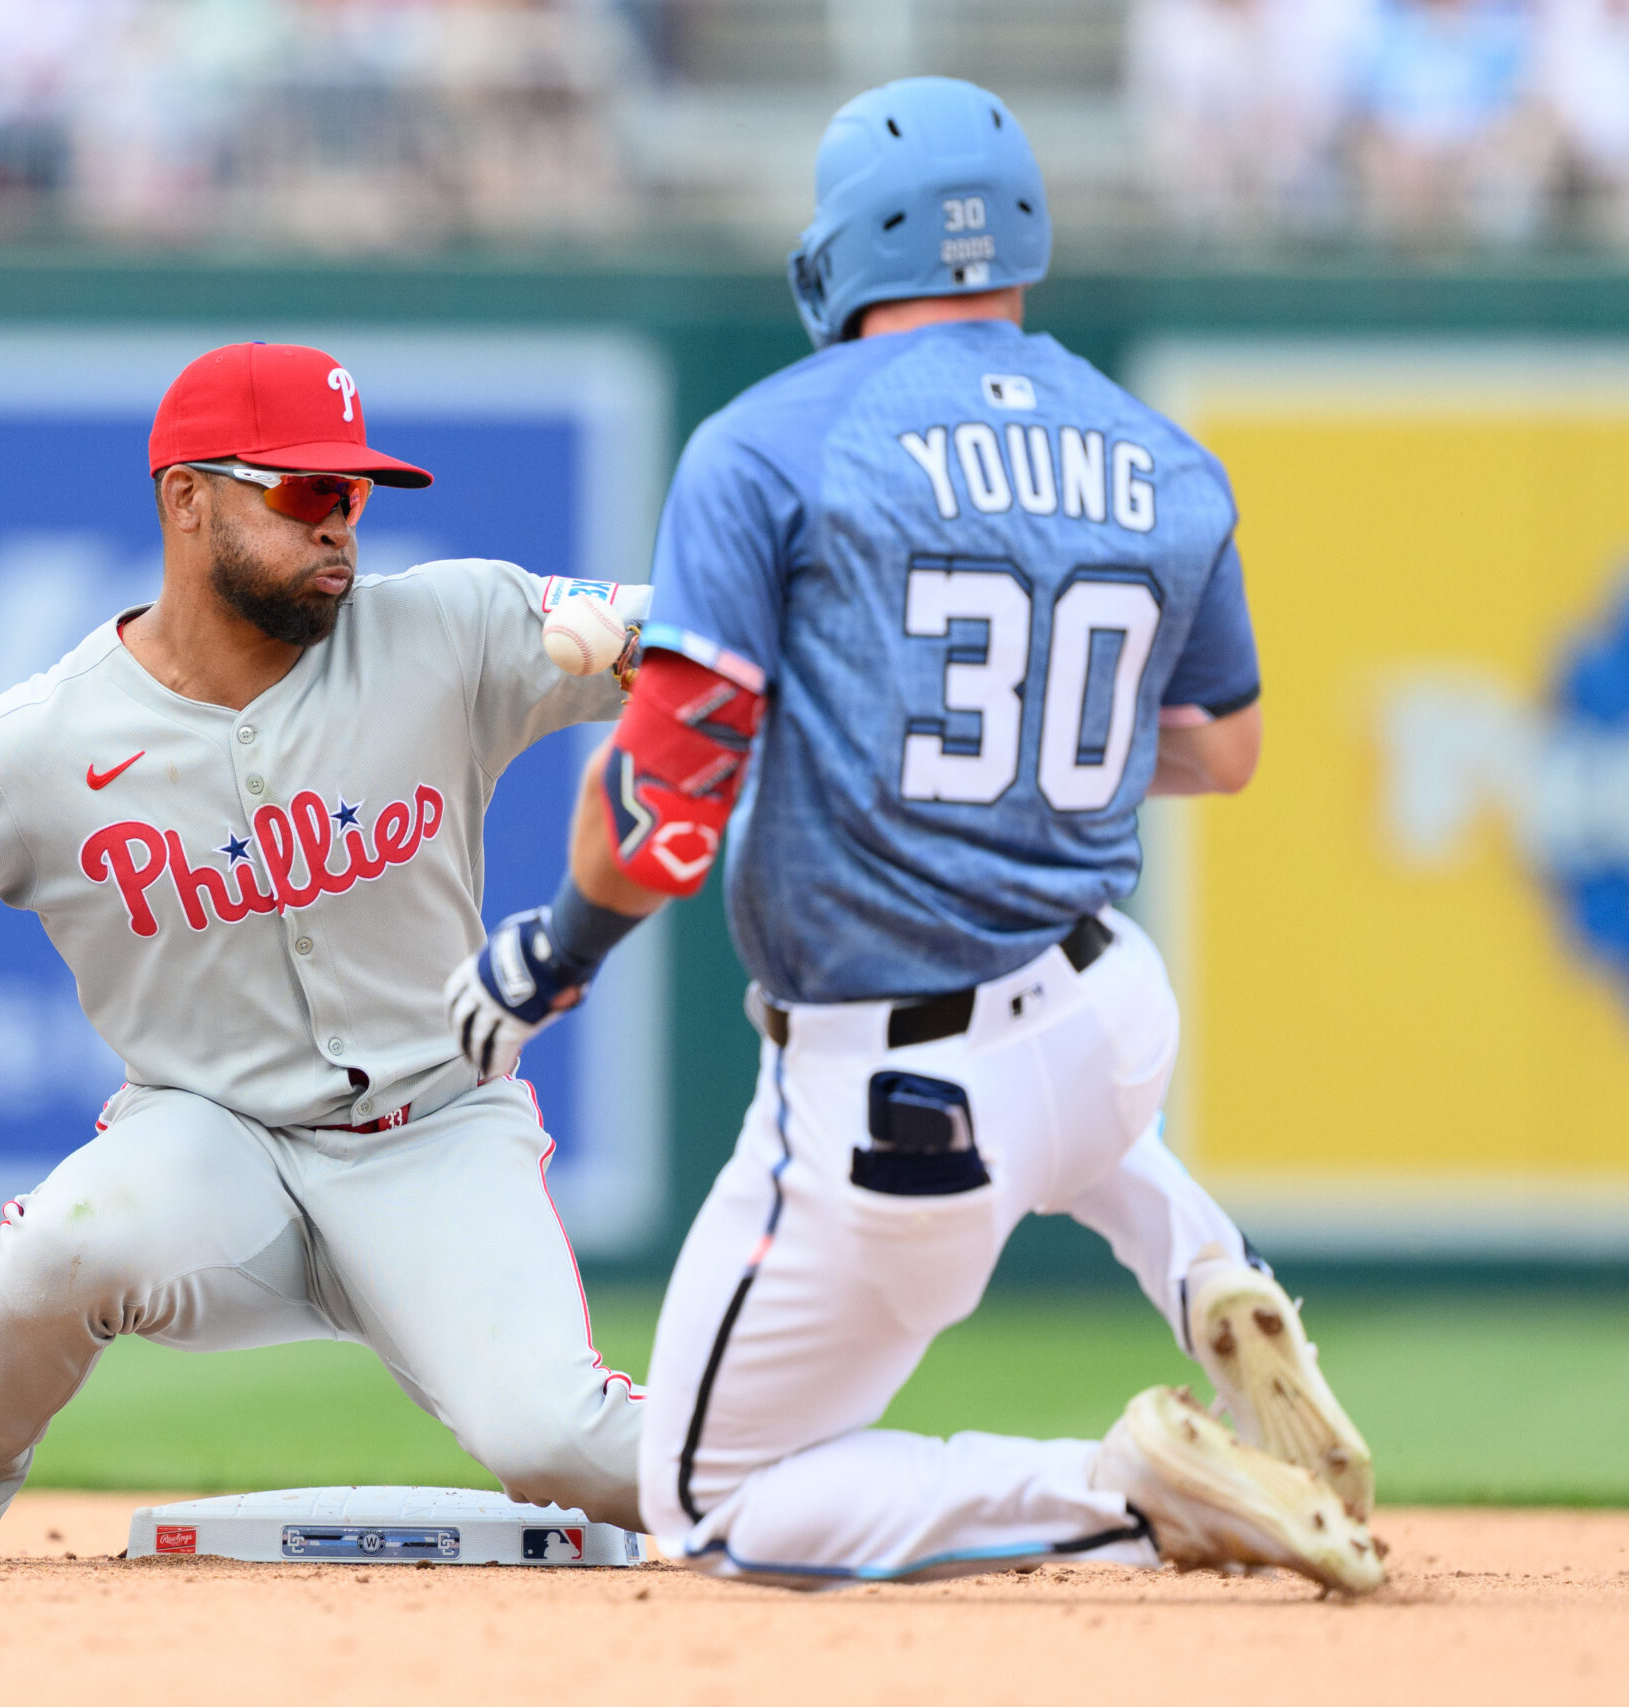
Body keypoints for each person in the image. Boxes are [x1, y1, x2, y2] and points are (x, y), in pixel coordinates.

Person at [443, 79, 1386, 1593]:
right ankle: (1213, 1267)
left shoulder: (770, 444)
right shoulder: (1160, 452)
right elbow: (1224, 745)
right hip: (1106, 1011)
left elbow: (663, 807)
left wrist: (554, 949)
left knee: (713, 1496)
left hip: (901, 1087)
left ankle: (1125, 1488)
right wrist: (979, 759)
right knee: (1093, 1111)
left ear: (842, 247)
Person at [0, 341, 650, 1563]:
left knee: (555, 1442)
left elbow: (700, 641)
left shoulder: (455, 626)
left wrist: (662, 633)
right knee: (62, 1243)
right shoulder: (42, 739)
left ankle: (816, 1479)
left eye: (356, 496)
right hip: (215, 1146)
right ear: (187, 499)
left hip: (439, 1137)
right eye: (305, 493)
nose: (341, 527)